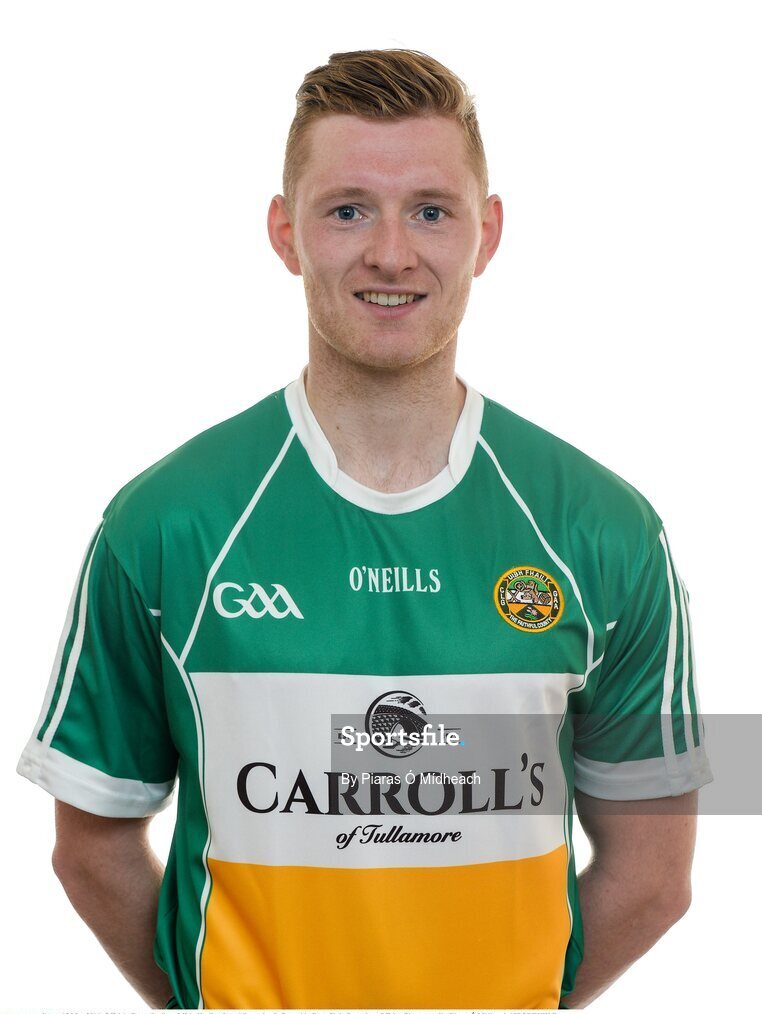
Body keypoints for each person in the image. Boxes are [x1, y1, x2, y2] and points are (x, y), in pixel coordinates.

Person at [17, 48, 712, 1010]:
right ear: (285, 231)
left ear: (489, 231)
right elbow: (89, 846)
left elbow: (656, 877)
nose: (392, 252)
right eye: (348, 209)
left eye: (432, 209)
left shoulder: (606, 531)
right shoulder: (166, 523)